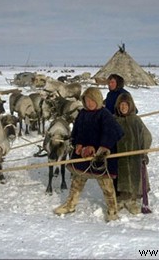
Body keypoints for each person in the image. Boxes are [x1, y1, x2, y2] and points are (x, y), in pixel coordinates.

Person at [53, 87, 124, 222]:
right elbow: (78, 132)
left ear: (97, 100)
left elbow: (113, 132)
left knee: (106, 185)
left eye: (92, 100)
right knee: (77, 181)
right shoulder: (83, 114)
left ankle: (112, 210)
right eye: (86, 100)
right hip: (83, 155)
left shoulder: (105, 114)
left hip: (100, 157)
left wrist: (99, 148)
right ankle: (70, 205)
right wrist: (78, 144)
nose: (89, 103)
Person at [114, 93, 152, 214]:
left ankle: (132, 200)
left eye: (126, 105)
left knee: (134, 177)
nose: (123, 107)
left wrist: (143, 151)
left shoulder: (136, 120)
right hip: (118, 157)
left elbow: (147, 136)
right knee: (119, 177)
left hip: (134, 156)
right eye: (121, 105)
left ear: (130, 106)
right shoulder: (114, 120)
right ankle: (120, 199)